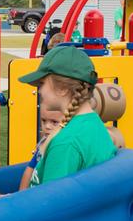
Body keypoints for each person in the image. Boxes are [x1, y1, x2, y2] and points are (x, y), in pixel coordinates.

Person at [17, 46, 117, 187]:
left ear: (63, 89)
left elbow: (50, 204)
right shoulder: (93, 124)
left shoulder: (65, 143)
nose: (40, 91)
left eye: (42, 83)